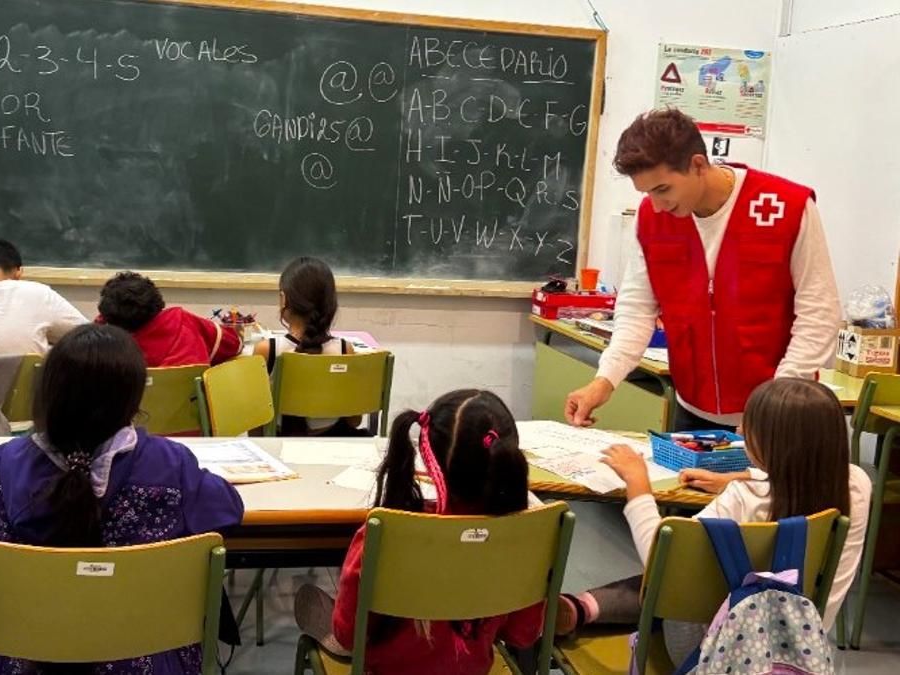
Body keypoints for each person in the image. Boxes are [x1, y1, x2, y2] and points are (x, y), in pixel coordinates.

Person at [0, 324, 244, 674]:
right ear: (133, 399)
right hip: (148, 657)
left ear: (48, 392)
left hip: (24, 658)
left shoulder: (3, 465)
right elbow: (227, 511)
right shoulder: (171, 465)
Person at [556, 378, 869, 665]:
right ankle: (583, 608)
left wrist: (638, 485)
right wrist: (738, 477)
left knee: (677, 577)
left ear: (773, 445)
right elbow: (795, 474)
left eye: (749, 425)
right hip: (802, 644)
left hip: (715, 650)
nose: (739, 432)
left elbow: (659, 559)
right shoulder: (856, 486)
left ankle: (581, 607)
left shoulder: (743, 499)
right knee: (698, 573)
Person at [564, 109, 840, 432]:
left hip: (776, 417)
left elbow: (819, 314)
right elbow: (637, 310)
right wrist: (604, 380)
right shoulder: (653, 219)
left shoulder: (788, 208)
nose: (656, 205)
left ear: (697, 164)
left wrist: (775, 405)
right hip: (692, 413)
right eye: (647, 193)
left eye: (663, 189)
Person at [294, 389, 546, 675]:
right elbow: (523, 634)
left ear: (430, 461)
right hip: (473, 668)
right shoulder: (524, 540)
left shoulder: (383, 536)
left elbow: (349, 636)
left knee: (312, 603)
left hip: (384, 668)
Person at [252, 257, 361, 436]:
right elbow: (354, 420)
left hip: (278, 446)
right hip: (332, 445)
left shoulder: (266, 350)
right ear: (330, 303)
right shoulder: (344, 350)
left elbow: (255, 422)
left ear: (283, 299)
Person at [95, 271, 241, 367]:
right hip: (192, 410)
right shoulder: (183, 321)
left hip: (134, 413)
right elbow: (235, 344)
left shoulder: (104, 348)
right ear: (156, 300)